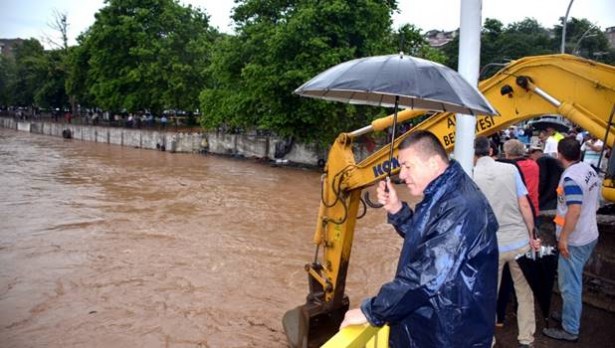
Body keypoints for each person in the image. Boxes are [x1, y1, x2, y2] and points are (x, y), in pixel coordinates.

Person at [340, 130, 499, 347]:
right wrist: (397, 210)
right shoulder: (444, 194)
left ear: (433, 163)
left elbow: (428, 274)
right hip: (435, 326)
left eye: (407, 166)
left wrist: (372, 311)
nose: (402, 175)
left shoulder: (461, 206)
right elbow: (429, 241)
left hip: (448, 334)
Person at [473, 136, 540, 348]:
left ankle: (488, 339)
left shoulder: (471, 175)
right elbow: (525, 205)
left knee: (488, 295)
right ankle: (526, 339)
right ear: (492, 151)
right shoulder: (510, 170)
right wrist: (532, 235)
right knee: (524, 292)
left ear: (472, 153)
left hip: (491, 247)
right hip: (520, 241)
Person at [543, 138, 600, 342]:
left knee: (570, 285)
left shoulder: (570, 179)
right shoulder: (588, 169)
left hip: (575, 239)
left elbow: (574, 210)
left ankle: (570, 329)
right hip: (589, 234)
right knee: (573, 280)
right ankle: (570, 315)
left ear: (559, 155)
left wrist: (564, 239)